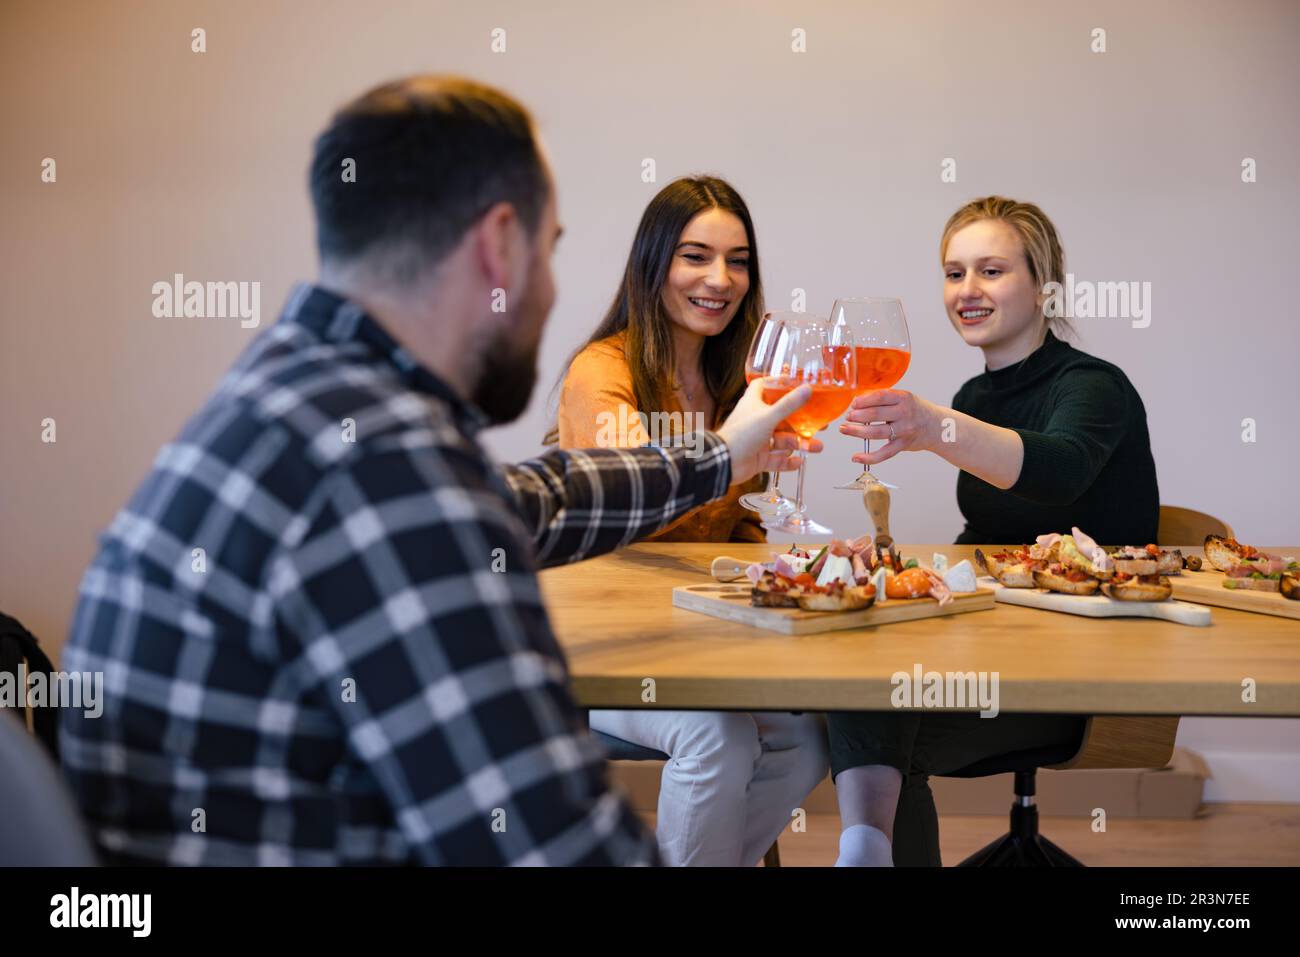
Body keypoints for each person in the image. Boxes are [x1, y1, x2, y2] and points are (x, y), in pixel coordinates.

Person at [58, 74, 819, 866]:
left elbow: (542, 498)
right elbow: (559, 845)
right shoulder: (385, 470)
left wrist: (723, 455)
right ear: (498, 243)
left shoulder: (295, 394)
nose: (554, 287)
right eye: (551, 248)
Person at [829, 196, 1160, 866]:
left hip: (1089, 673)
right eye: (954, 273)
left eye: (991, 270)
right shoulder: (977, 398)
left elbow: (1056, 472)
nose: (967, 290)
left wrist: (929, 426)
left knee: (891, 724)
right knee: (858, 668)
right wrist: (892, 562)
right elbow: (984, 535)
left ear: (1044, 286)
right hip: (1001, 646)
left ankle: (866, 851)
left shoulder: (1096, 388)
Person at [549, 176, 828, 865]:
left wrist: (791, 567)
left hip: (699, 643)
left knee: (813, 734)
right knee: (719, 736)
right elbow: (630, 495)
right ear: (653, 265)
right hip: (604, 646)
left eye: (738, 261)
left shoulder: (739, 381)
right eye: (695, 256)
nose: (720, 278)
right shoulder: (601, 370)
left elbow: (741, 533)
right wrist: (731, 449)